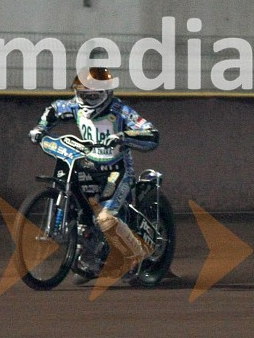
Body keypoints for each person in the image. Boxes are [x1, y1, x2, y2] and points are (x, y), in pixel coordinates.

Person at [28, 67, 159, 281]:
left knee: (106, 217)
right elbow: (54, 109)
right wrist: (40, 128)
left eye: (93, 95)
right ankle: (91, 254)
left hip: (116, 171)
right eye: (83, 94)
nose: (87, 100)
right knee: (84, 212)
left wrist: (123, 136)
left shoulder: (121, 111)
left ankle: (134, 257)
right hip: (89, 165)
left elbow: (152, 134)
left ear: (106, 93)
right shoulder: (74, 107)